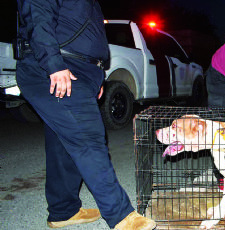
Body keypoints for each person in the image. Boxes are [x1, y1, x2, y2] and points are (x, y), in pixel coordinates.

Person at [15, 0, 156, 229]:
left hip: (83, 71)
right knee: (88, 137)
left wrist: (98, 76)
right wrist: (54, 65)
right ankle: (120, 215)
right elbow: (38, 15)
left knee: (62, 143)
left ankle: (63, 211)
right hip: (56, 66)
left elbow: (88, 33)